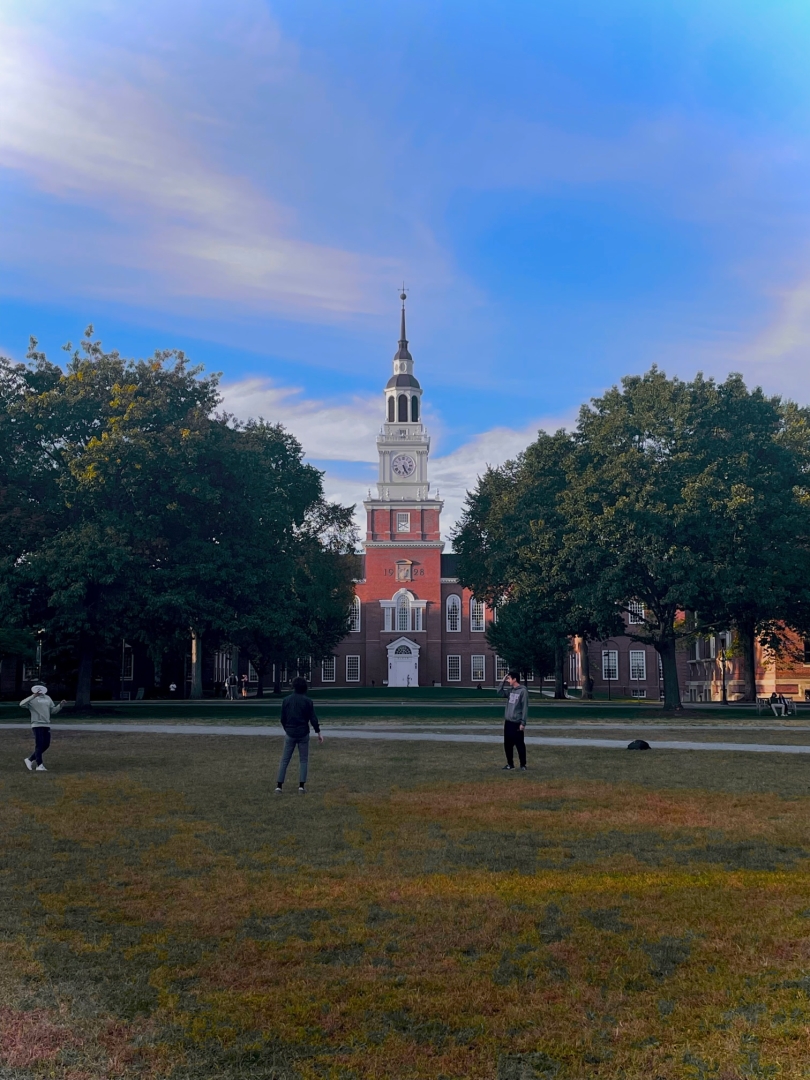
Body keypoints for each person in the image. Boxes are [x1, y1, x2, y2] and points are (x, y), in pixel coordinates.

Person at [275, 677, 323, 794]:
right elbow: (313, 719)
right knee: (303, 760)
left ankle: (279, 786)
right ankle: (301, 786)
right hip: (303, 733)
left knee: (285, 760)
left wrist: (287, 729)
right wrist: (318, 732)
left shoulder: (286, 700)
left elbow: (282, 718)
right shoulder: (308, 701)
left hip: (290, 733)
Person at [21, 685, 65, 772]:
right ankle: (39, 765)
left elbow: (53, 711)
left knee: (46, 744)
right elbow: (21, 704)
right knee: (39, 744)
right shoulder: (32, 699)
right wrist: (33, 696)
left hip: (46, 724)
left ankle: (29, 759)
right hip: (37, 724)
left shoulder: (48, 698)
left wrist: (60, 705)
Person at [497, 669, 528, 770]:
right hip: (508, 722)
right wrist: (502, 680)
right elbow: (499, 692)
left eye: (509, 678)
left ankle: (523, 765)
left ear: (515, 679)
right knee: (507, 745)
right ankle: (510, 764)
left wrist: (523, 723)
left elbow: (524, 708)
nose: (508, 680)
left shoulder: (523, 691)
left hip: (517, 723)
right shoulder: (510, 691)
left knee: (519, 745)